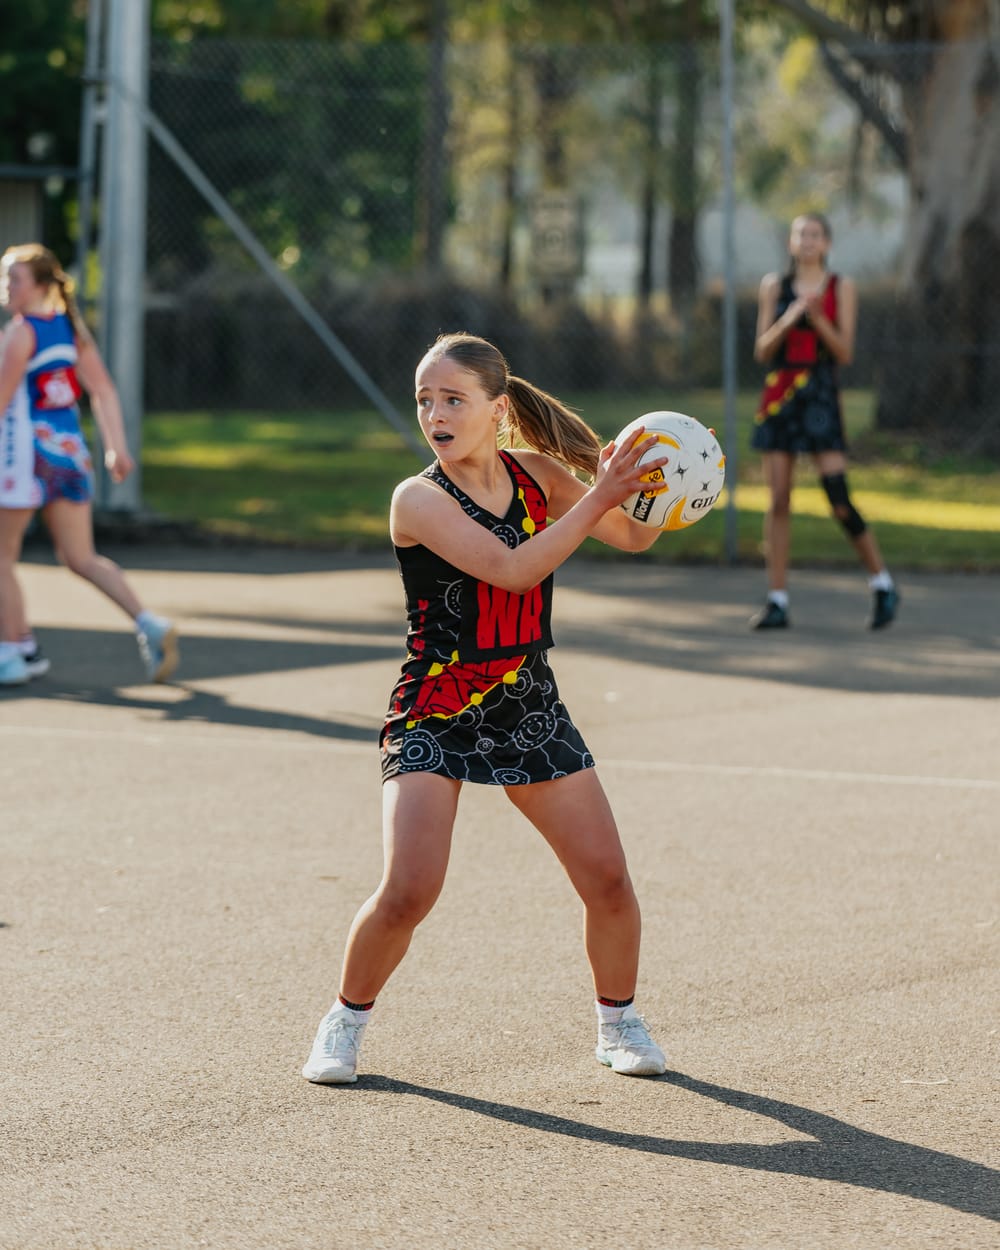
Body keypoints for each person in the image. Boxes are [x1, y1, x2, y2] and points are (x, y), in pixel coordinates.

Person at [302, 331, 671, 1084]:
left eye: (452, 399)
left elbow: (631, 534)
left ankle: (618, 1022)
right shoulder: (418, 499)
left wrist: (664, 488)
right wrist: (596, 492)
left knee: (607, 879)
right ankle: (344, 1019)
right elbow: (511, 570)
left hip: (526, 700)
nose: (434, 413)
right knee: (410, 887)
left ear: (496, 410)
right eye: (425, 400)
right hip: (435, 705)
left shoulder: (537, 475)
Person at [0, 243, 178, 687]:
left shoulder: (21, 333)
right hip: (69, 456)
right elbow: (103, 390)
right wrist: (115, 448)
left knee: (1, 557)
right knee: (81, 557)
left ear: (39, 285)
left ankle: (14, 651)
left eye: (14, 279)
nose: (6, 287)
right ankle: (148, 623)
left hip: (23, 457)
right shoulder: (70, 331)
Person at [750, 212, 899, 631]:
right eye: (801, 233)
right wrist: (789, 315)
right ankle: (777, 599)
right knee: (779, 499)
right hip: (781, 395)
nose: (808, 240)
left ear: (827, 243)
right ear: (791, 243)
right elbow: (762, 350)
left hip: (819, 396)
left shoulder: (840, 287)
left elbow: (845, 352)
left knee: (838, 496)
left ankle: (882, 583)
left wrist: (815, 319)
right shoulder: (773, 287)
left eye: (815, 234)